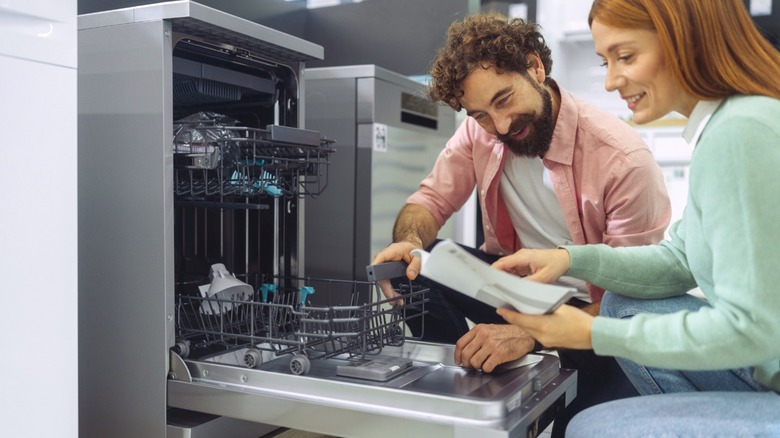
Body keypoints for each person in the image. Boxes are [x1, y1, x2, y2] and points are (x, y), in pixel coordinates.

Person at [371, 12, 672, 437]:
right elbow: (429, 202)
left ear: (535, 67)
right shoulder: (480, 132)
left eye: (504, 100)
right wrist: (408, 240)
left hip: (597, 314)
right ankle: (469, 386)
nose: (500, 126)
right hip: (517, 290)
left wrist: (528, 334)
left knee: (579, 429)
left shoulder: (622, 159)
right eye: (480, 114)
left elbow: (635, 297)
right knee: (416, 262)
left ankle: (515, 363)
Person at [492, 0, 780, 436]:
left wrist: (594, 334)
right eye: (605, 62)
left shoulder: (740, 133)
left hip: (767, 364)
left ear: (686, 39)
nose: (610, 81)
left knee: (589, 428)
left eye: (625, 57)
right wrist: (568, 259)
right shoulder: (732, 123)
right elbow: (679, 259)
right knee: (621, 305)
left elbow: (754, 329)